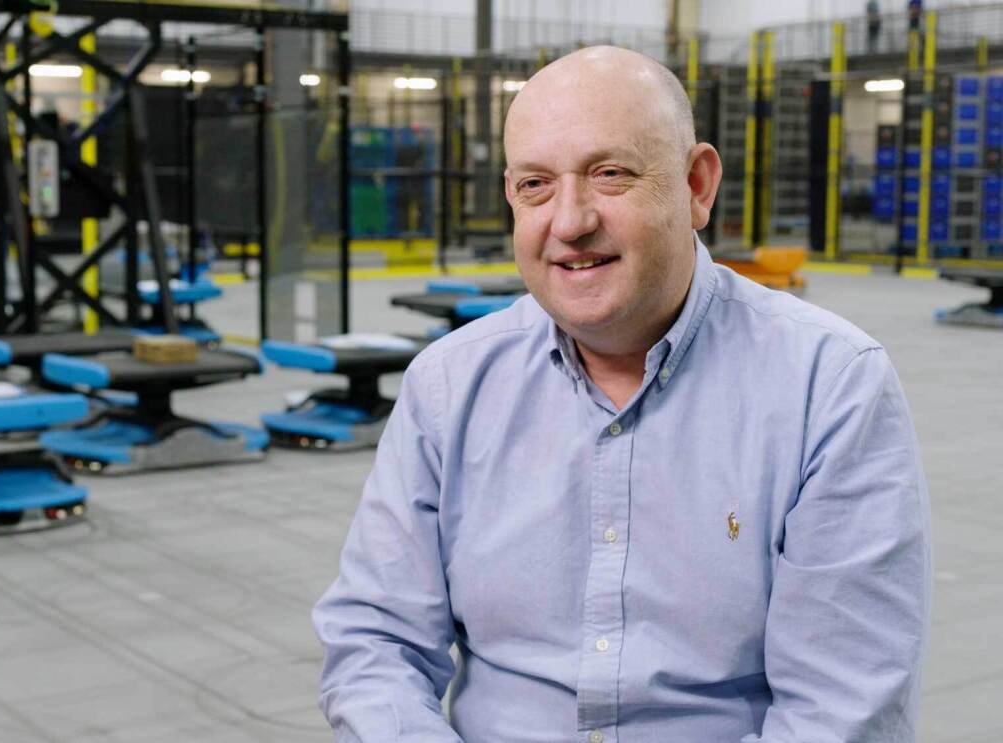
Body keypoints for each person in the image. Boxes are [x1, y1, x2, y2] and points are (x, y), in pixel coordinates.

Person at [313, 46, 930, 743]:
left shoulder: (830, 386)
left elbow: (842, 705)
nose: (570, 221)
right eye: (536, 185)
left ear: (697, 186)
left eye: (609, 174)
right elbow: (375, 642)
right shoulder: (449, 388)